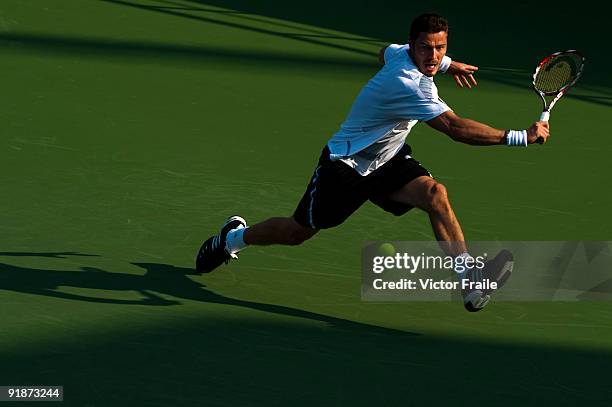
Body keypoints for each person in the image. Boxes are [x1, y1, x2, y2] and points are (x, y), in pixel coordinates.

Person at [196, 13, 550, 312]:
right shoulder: (411, 87)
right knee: (296, 232)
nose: (433, 54)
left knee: (435, 194)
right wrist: (522, 136)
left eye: (440, 46)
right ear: (413, 45)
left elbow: (384, 51)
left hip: (388, 160)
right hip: (345, 167)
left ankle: (469, 282)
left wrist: (445, 64)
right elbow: (456, 130)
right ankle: (233, 239)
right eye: (426, 47)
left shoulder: (401, 55)